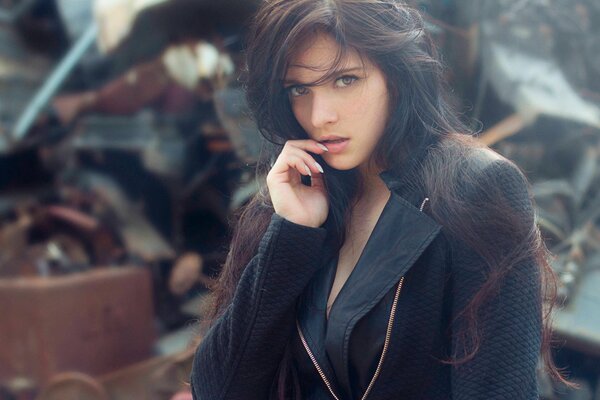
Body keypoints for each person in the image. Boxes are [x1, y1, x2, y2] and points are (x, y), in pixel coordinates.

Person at [190, 1, 573, 399]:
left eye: (345, 80)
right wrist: (290, 236)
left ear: (398, 75)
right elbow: (218, 390)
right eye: (299, 89)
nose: (320, 115)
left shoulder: (476, 188)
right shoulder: (293, 192)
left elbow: (498, 389)